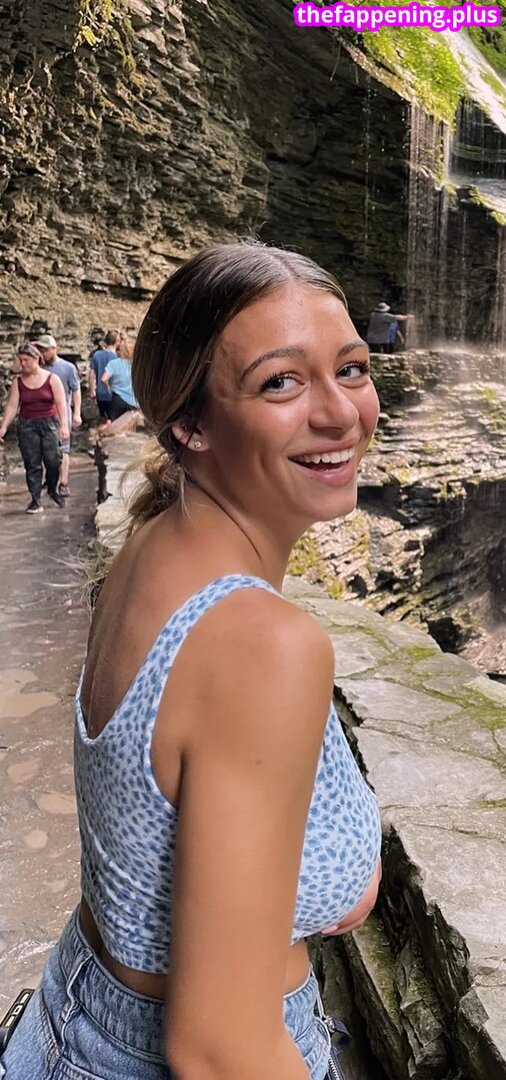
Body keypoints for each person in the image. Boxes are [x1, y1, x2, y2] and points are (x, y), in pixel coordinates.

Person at [0, 243, 382, 1080]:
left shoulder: (155, 543)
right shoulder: (261, 644)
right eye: (281, 382)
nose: (340, 412)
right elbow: (218, 1050)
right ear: (190, 424)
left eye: (351, 368)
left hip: (77, 1015)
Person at [0, 343, 69, 512]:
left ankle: (52, 489)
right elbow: (12, 406)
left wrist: (64, 425)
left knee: (53, 460)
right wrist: (3, 427)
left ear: (36, 359)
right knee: (32, 463)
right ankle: (35, 499)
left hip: (49, 423)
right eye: (21, 360)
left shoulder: (52, 379)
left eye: (26, 360)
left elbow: (61, 403)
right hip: (27, 424)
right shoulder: (18, 382)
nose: (22, 364)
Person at [34, 334, 82, 497]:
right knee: (45, 449)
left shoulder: (68, 368)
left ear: (54, 349)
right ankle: (50, 479)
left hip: (62, 414)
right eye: (40, 350)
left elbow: (76, 390)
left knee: (64, 449)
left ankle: (64, 483)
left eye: (45, 350)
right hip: (43, 415)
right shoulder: (38, 368)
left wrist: (77, 413)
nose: (43, 353)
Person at [101, 341, 139, 421]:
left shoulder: (114, 364)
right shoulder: (137, 365)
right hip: (134, 401)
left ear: (121, 350)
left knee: (117, 425)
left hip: (118, 400)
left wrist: (108, 389)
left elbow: (103, 379)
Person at [89, 330, 119, 423]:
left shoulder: (97, 355)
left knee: (103, 419)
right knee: (114, 421)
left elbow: (91, 374)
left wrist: (92, 391)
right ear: (117, 341)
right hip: (113, 394)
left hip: (100, 394)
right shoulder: (117, 358)